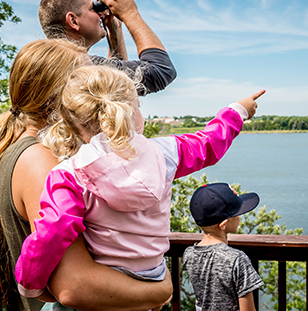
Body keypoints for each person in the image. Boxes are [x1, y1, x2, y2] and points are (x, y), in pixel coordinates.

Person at [14, 65, 266, 300]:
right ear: (132, 113)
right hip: (153, 276)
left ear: (72, 124)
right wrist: (237, 111)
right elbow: (210, 143)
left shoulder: (69, 174)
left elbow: (53, 231)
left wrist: (29, 284)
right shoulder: (166, 153)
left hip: (105, 283)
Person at [0, 39, 172, 311]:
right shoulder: (41, 161)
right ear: (61, 98)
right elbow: (74, 286)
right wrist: (160, 289)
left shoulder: (25, 149)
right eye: (86, 80)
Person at [38, 0, 176, 95]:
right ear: (73, 20)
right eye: (93, 9)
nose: (99, 14)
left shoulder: (51, 64)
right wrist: (130, 13)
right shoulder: (80, 66)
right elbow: (161, 71)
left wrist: (114, 29)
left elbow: (116, 82)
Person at [182, 183, 264, 311]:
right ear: (223, 224)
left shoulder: (189, 254)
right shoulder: (237, 259)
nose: (240, 216)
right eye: (237, 213)